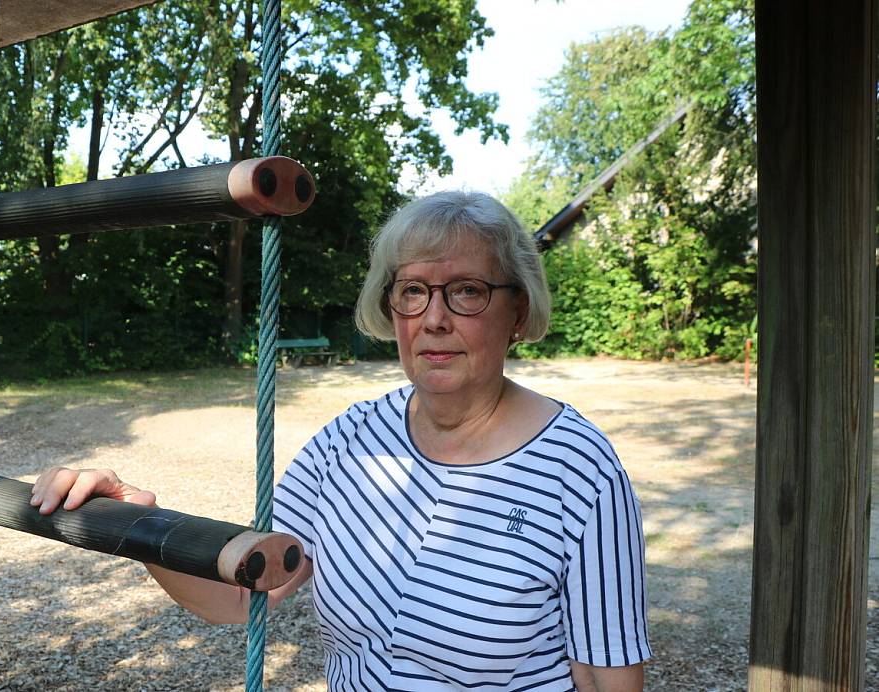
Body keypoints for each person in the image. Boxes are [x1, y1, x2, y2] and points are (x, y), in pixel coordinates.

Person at [32, 191, 650, 691]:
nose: (434, 317)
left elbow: (606, 679)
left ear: (517, 313)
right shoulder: (349, 441)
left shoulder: (579, 471)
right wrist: (140, 524)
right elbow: (250, 590)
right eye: (413, 290)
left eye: (467, 290)